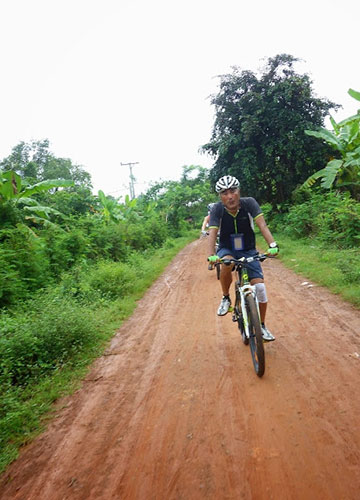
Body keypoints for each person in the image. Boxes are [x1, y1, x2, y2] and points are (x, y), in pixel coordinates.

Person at [207, 175, 279, 342]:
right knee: (227, 264)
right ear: (220, 196)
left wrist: (273, 245)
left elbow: (262, 225)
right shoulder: (217, 209)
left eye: (233, 191)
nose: (230, 196)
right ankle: (226, 297)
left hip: (248, 249)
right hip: (227, 248)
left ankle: (261, 325)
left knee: (260, 288)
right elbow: (213, 233)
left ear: (239, 191)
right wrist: (211, 255)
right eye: (224, 193)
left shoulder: (249, 203)